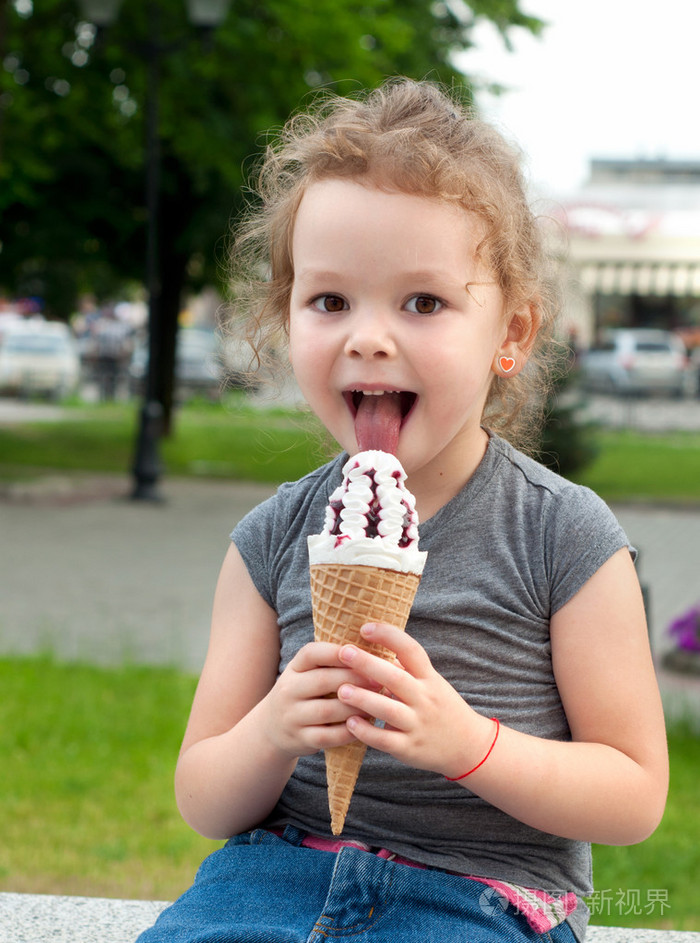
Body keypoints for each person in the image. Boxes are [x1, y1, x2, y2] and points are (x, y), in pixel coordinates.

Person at [136, 79, 668, 943]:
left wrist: (467, 742)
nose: (369, 336)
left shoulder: (563, 535)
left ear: (513, 334)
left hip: (481, 895)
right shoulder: (271, 539)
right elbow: (203, 793)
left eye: (423, 302)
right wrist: (273, 728)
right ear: (286, 319)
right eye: (330, 301)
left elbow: (635, 793)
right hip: (272, 877)